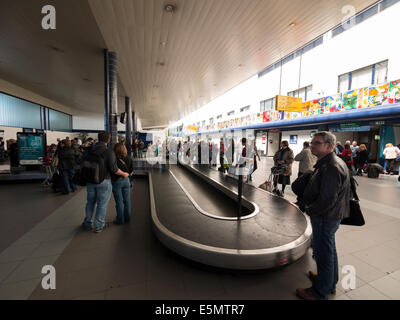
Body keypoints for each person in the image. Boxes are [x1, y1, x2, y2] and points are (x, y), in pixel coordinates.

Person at [296, 131, 350, 300]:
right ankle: (329, 282)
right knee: (329, 249)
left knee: (323, 253)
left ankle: (319, 292)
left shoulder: (331, 167)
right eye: (312, 142)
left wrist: (309, 209)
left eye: (317, 143)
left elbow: (326, 199)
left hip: (325, 217)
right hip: (330, 215)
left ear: (329, 146)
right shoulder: (327, 162)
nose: (312, 145)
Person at [82, 131, 130, 233]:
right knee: (101, 204)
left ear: (98, 138)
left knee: (90, 202)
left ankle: (87, 223)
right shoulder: (108, 152)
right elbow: (114, 169)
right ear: (108, 140)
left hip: (90, 180)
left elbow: (81, 162)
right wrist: (124, 174)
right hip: (104, 181)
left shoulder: (89, 149)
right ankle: (99, 226)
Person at [111, 143, 133, 224]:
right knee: (127, 200)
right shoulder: (129, 158)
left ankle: (120, 220)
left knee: (119, 201)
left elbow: (113, 170)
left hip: (117, 181)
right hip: (126, 181)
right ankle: (127, 218)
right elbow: (131, 171)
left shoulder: (114, 160)